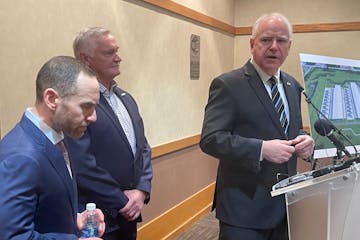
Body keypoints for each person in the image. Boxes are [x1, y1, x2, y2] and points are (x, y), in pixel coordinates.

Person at [200, 13, 315, 240]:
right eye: (266, 40)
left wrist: (305, 140)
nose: (274, 47)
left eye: (281, 41)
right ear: (252, 44)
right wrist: (261, 149)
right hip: (243, 211)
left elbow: (291, 130)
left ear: (289, 47)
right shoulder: (228, 84)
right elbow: (210, 139)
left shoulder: (292, 85)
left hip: (284, 206)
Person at [0, 56, 105, 239]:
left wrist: (75, 220)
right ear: (51, 98)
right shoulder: (20, 157)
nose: (93, 117)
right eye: (86, 106)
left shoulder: (58, 138)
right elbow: (13, 236)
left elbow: (44, 209)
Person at [65, 27, 152, 240]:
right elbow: (83, 165)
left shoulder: (126, 99)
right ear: (86, 59)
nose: (118, 58)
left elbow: (143, 149)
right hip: (98, 219)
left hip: (129, 215)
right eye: (109, 52)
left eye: (117, 51)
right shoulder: (78, 105)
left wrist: (141, 190)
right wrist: (123, 201)